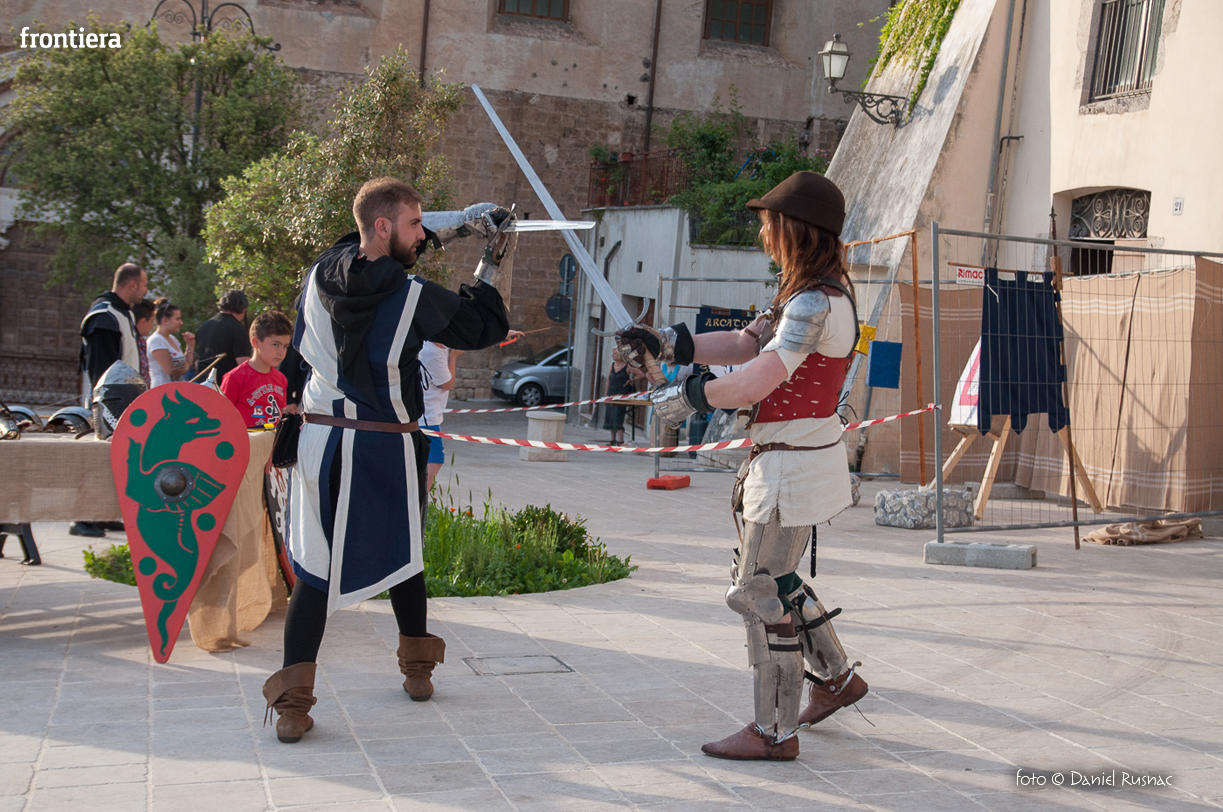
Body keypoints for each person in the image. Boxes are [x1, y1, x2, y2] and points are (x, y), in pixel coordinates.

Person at [616, 171, 867, 761]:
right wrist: (666, 342)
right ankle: (836, 679)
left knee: (755, 590)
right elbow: (745, 344)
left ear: (795, 229)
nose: (762, 233)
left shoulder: (815, 301)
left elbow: (758, 379)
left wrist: (690, 395)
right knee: (777, 580)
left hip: (792, 466)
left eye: (769, 223)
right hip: (792, 458)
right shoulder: (805, 294)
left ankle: (774, 731)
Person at [262, 178, 511, 744]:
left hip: (319, 442)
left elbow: (352, 244)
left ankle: (293, 707)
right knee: (404, 554)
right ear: (382, 227)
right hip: (384, 443)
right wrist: (493, 255)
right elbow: (482, 325)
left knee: (316, 569)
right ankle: (417, 670)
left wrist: (455, 222)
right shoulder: (413, 294)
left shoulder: (318, 273)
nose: (422, 234)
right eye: (414, 224)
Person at [73, 262, 148, 538]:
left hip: (124, 402)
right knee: (96, 462)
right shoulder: (104, 315)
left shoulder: (121, 313)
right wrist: (105, 407)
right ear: (132, 285)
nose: (145, 290)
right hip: (107, 403)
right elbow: (100, 369)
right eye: (144, 285)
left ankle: (102, 514)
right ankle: (82, 518)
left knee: (115, 462)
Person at [221, 311, 294, 428]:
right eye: (275, 345)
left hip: (273, 437)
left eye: (285, 346)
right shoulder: (235, 377)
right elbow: (222, 416)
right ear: (255, 342)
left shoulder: (281, 379)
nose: (281, 352)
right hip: (245, 438)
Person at [418, 341, 461, 491]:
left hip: (431, 413)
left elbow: (472, 338)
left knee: (430, 460)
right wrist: (453, 357)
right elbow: (447, 384)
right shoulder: (431, 352)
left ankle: (421, 496)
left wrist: (502, 334)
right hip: (427, 416)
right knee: (435, 460)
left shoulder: (441, 344)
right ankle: (421, 497)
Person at [195, 289, 250, 379]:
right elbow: (243, 365)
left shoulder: (204, 326)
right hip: (224, 383)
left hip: (201, 382)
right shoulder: (238, 329)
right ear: (243, 309)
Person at [147, 299, 196, 388]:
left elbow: (185, 362)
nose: (181, 323)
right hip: (162, 390)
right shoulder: (156, 341)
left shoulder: (173, 339)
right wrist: (186, 367)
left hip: (175, 389)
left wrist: (190, 345)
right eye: (177, 319)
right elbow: (170, 370)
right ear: (165, 320)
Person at [603, 348, 635, 445]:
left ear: (621, 355)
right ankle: (613, 439)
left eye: (615, 354)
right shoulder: (612, 365)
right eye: (612, 353)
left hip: (621, 394)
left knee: (618, 417)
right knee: (610, 417)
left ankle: (620, 440)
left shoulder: (627, 366)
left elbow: (641, 374)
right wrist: (605, 395)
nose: (612, 355)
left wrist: (631, 380)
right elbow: (608, 381)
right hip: (611, 393)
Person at [132, 299, 156, 387]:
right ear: (143, 322)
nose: (152, 325)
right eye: (152, 321)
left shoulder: (141, 341)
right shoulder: (131, 343)